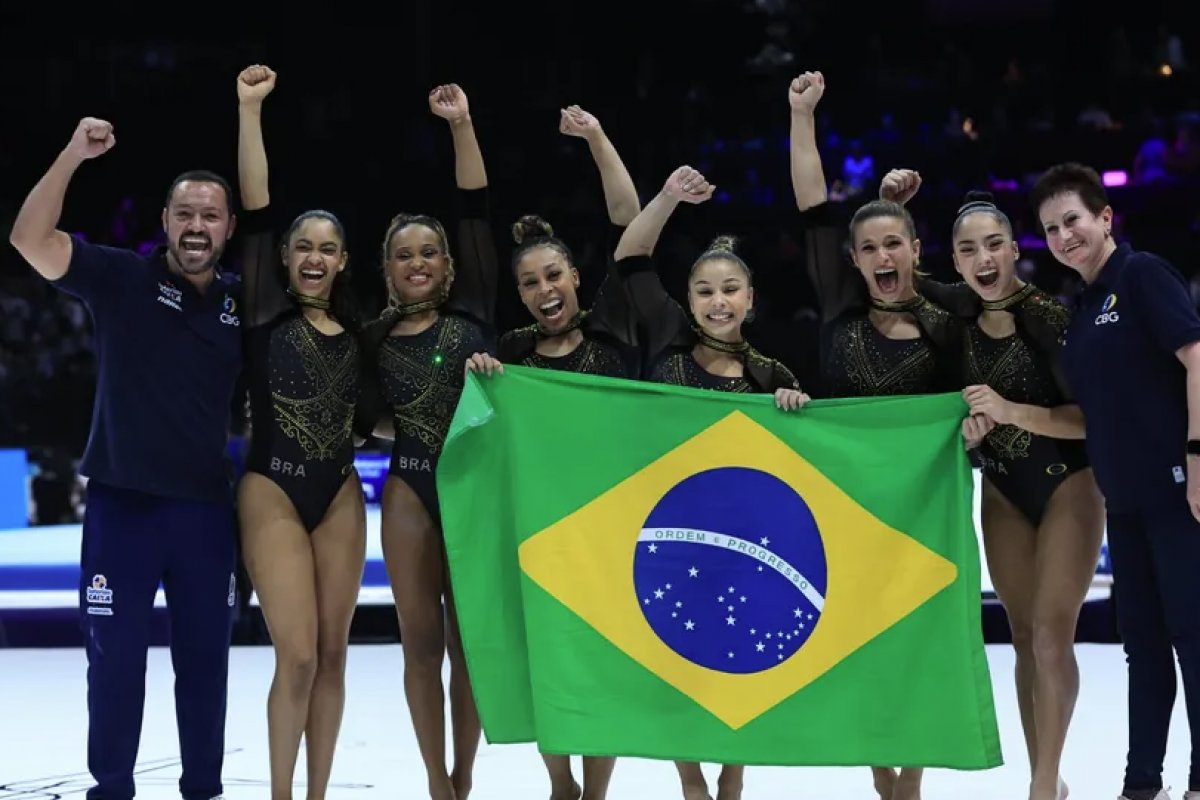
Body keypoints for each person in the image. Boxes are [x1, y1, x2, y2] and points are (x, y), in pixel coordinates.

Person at [10, 118, 242, 800]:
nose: (197, 226)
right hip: (122, 508)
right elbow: (28, 240)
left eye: (211, 216)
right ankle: (111, 789)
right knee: (114, 665)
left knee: (206, 664)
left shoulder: (241, 303)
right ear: (165, 220)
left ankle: (204, 788)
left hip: (204, 513)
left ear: (229, 228)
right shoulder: (119, 278)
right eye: (186, 213)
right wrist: (73, 155)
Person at [787, 70, 981, 800]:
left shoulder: (944, 314)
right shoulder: (840, 306)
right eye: (867, 248)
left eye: (893, 243)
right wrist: (802, 113)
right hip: (843, 507)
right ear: (853, 260)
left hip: (924, 508)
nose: (881, 259)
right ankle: (883, 780)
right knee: (857, 642)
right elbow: (811, 203)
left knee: (919, 640)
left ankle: (913, 782)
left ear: (914, 246)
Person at [882, 169, 1105, 800]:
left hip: (1069, 483)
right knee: (1021, 636)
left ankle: (1039, 789)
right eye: (968, 249)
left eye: (993, 245)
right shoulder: (957, 316)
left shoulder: (1050, 319)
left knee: (1051, 631)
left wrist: (1010, 412)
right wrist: (892, 211)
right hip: (1005, 486)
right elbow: (893, 274)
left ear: (1014, 249)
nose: (983, 259)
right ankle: (1049, 781)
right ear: (954, 259)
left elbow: (1090, 420)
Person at [610, 165, 808, 800]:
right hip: (669, 531)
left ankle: (733, 778)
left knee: (735, 663)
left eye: (729, 290)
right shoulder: (667, 336)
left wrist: (795, 413)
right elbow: (632, 252)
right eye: (704, 291)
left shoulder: (771, 372)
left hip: (745, 540)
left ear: (751, 300)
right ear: (688, 300)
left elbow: (802, 464)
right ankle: (692, 780)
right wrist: (668, 197)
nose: (717, 302)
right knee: (676, 662)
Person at [476, 104, 641, 800]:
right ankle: (561, 786)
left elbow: (628, 225)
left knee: (602, 663)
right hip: (540, 532)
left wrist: (600, 139)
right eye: (531, 283)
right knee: (547, 659)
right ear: (519, 295)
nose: (545, 291)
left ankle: (594, 792)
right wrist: (484, 380)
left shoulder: (615, 333)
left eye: (555, 277)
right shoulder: (511, 355)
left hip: (611, 528)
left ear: (576, 277)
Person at [1031, 162, 1200, 800]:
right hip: (1124, 501)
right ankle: (1141, 783)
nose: (1063, 236)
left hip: (1177, 486)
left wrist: (1198, 460)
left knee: (1193, 636)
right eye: (1050, 229)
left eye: (1072, 219)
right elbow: (1093, 416)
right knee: (1145, 647)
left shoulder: (1141, 275)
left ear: (1105, 218)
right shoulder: (1085, 304)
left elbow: (1197, 358)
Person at [234, 64, 370, 800]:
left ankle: (318, 796)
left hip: (340, 493)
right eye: (302, 247)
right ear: (285, 258)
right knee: (296, 658)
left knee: (334, 655)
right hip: (273, 491)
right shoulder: (262, 309)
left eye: (327, 248)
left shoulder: (359, 331)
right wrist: (250, 110)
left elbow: (385, 409)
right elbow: (254, 207)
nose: (314, 257)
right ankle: (281, 795)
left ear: (343, 262)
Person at [359, 82, 497, 800]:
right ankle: (436, 785)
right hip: (412, 485)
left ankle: (465, 776)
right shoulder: (374, 337)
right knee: (421, 645)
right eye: (404, 255)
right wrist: (407, 431)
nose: (418, 262)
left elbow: (473, 206)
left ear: (448, 265)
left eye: (430, 253)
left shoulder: (473, 308)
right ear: (387, 273)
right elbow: (362, 419)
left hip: (474, 486)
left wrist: (463, 125)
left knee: (469, 647)